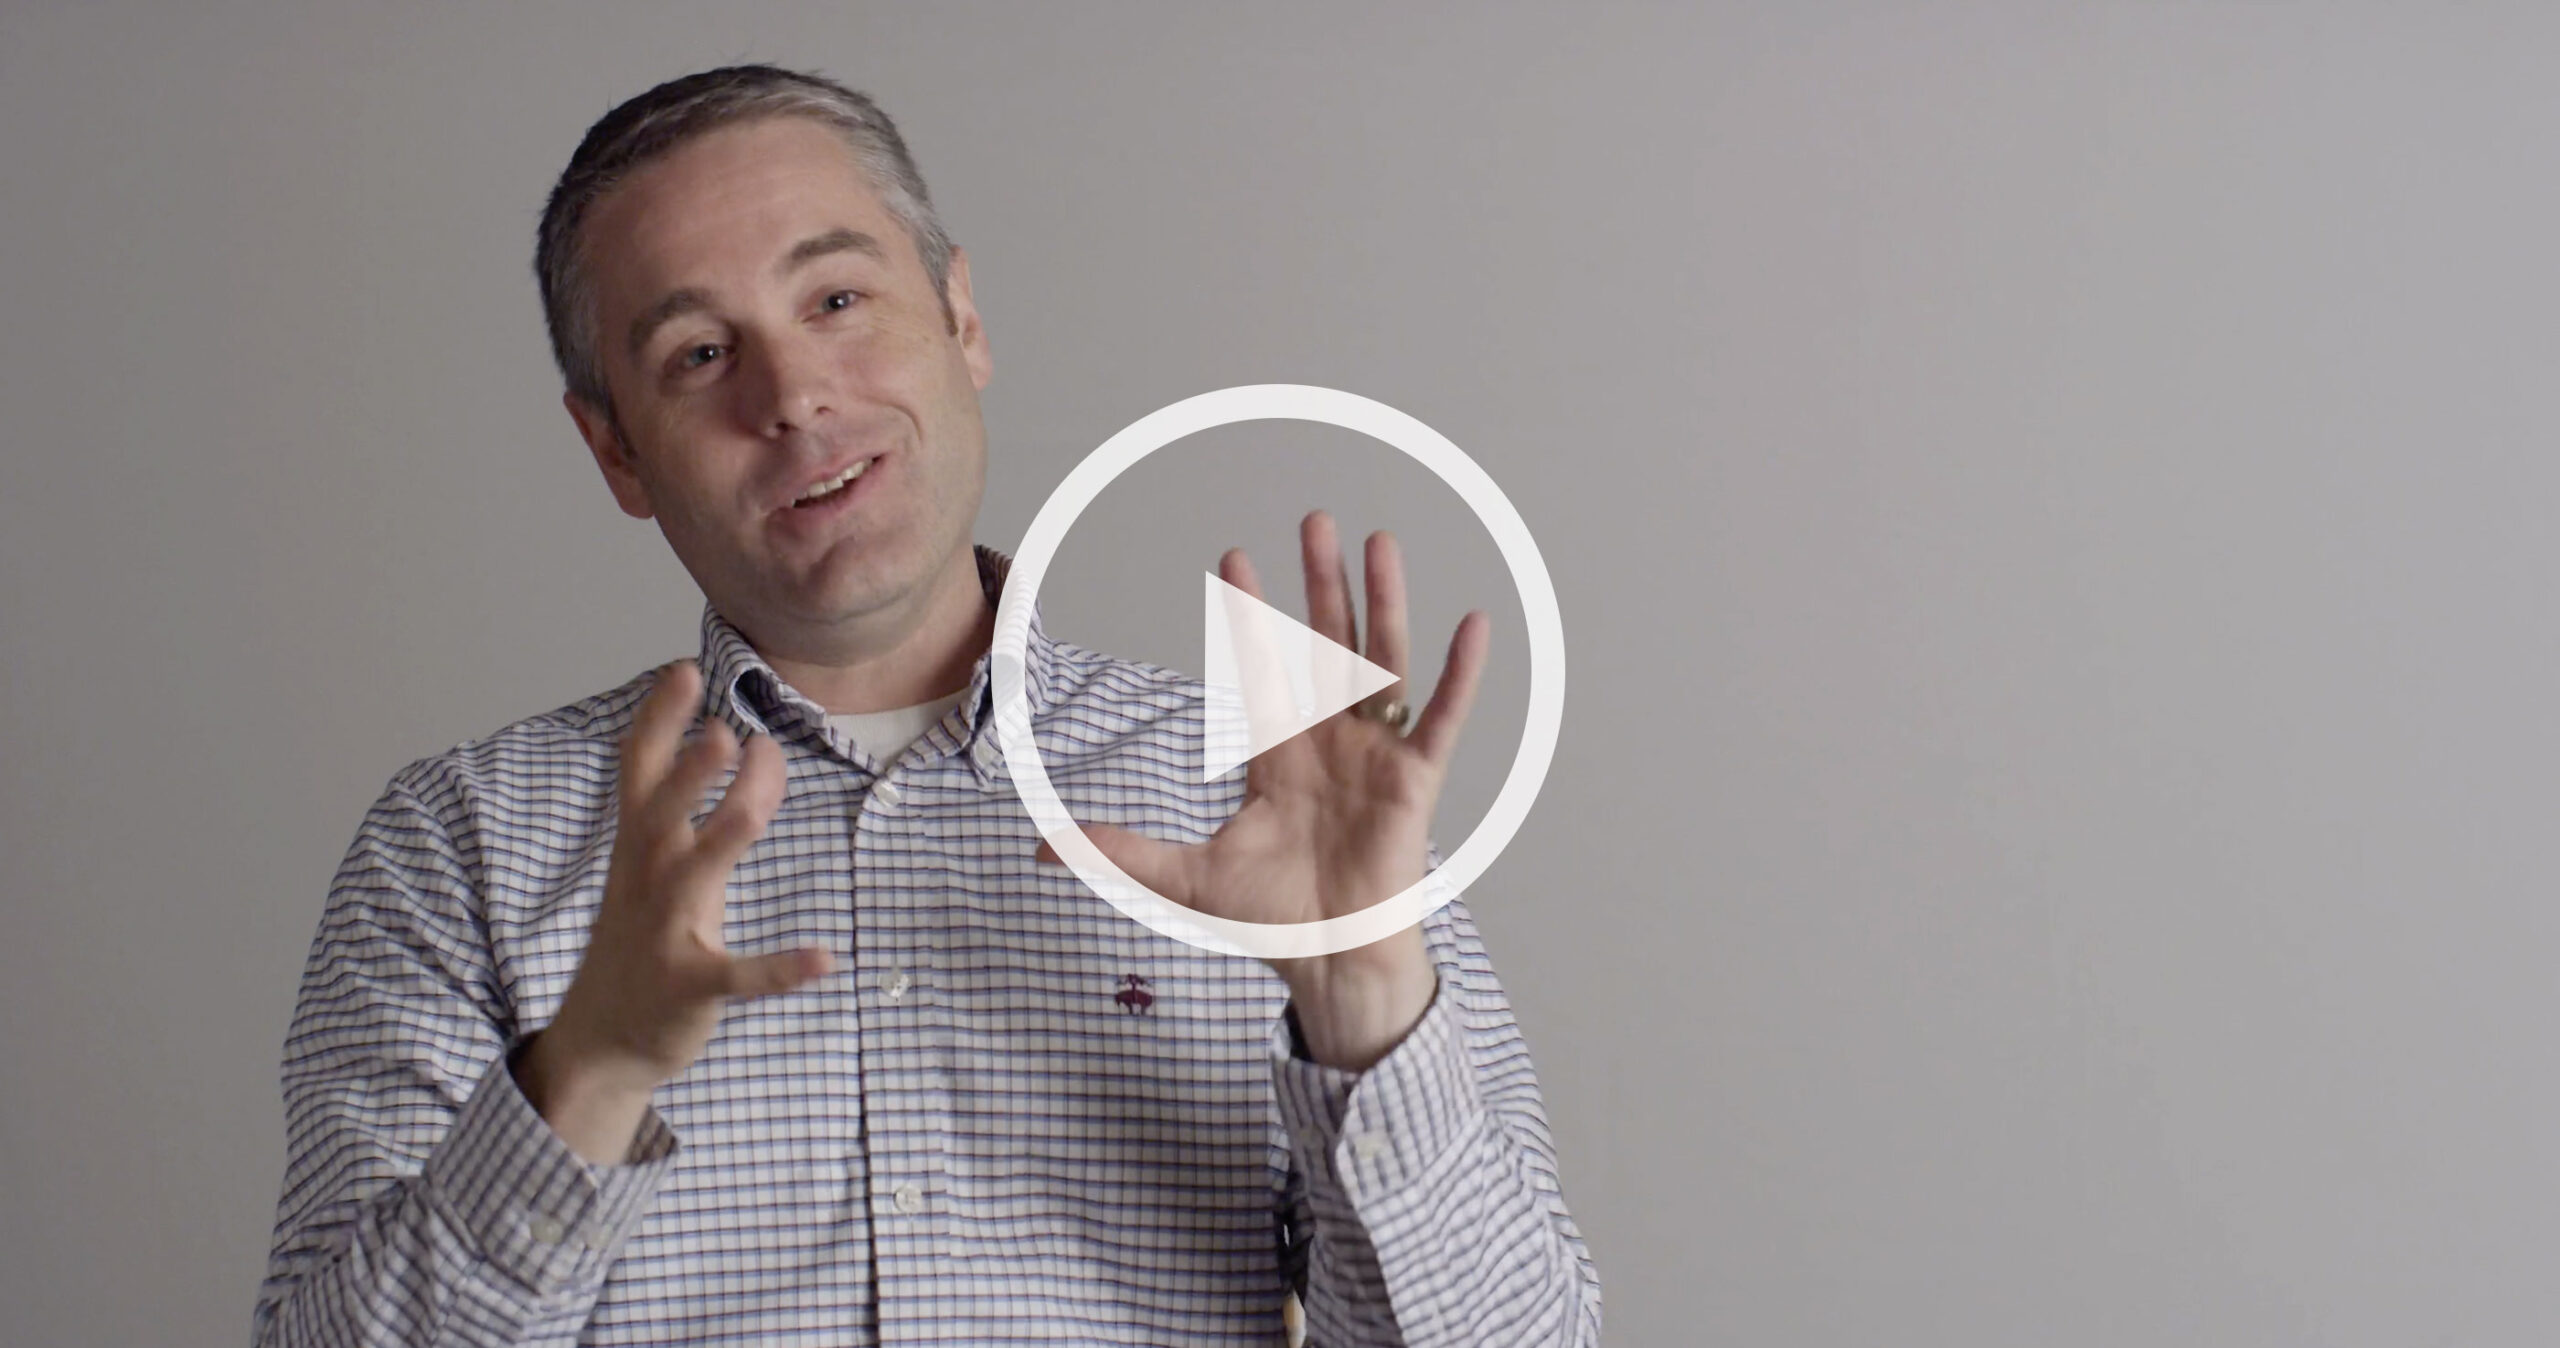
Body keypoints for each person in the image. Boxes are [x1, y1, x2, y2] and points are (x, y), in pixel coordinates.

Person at [251, 63, 1602, 1347]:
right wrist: (586, 1077)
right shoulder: (462, 847)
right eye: (702, 354)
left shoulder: (1270, 798)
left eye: (837, 299)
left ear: (961, 318)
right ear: (616, 450)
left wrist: (1363, 998)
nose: (795, 397)